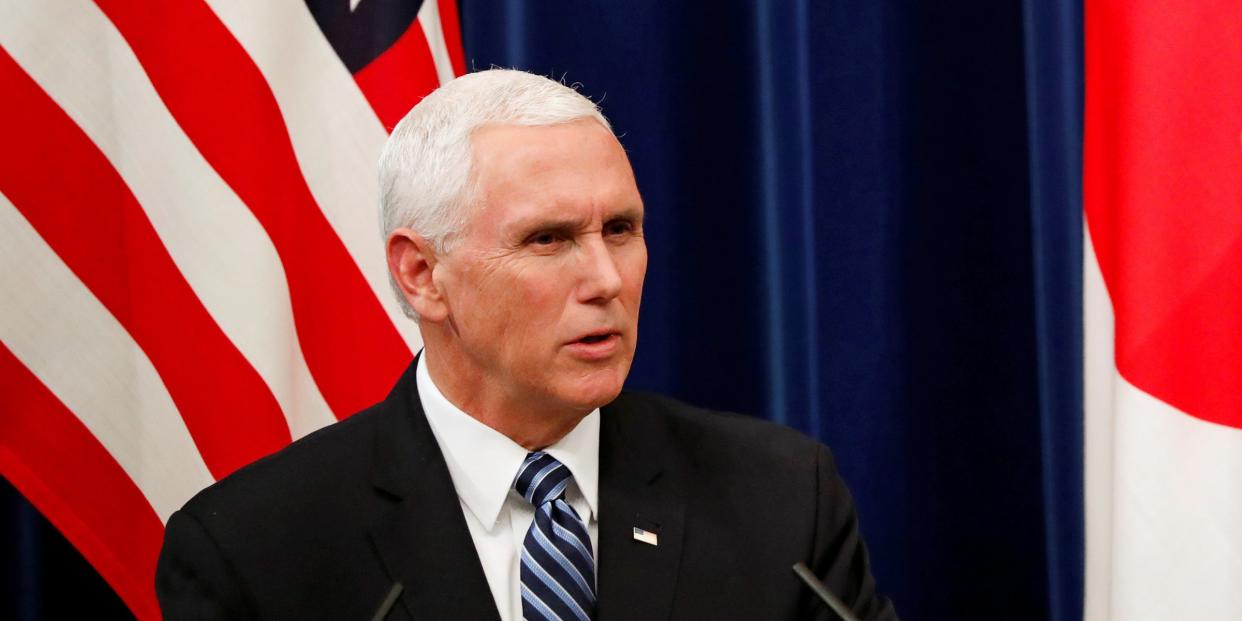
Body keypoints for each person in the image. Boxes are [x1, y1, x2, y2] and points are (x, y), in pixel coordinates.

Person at [155, 69, 898, 621]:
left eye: (621, 230)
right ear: (422, 275)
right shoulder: (256, 552)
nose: (606, 278)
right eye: (548, 239)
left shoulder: (778, 500)